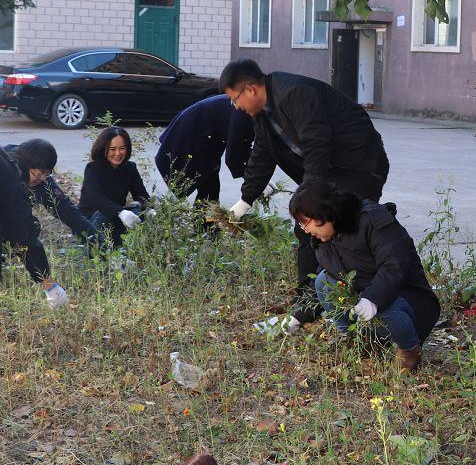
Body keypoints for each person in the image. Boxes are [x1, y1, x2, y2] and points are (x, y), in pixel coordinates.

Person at [219, 59, 390, 332]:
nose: (236, 107)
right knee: (307, 230)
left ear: (250, 89)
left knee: (337, 232)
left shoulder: (294, 93)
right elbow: (262, 155)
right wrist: (244, 202)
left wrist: (309, 198)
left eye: (234, 99)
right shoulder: (263, 115)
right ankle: (308, 306)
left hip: (358, 166)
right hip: (331, 172)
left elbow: (317, 146)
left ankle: (350, 307)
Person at [288, 178, 439, 372]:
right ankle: (359, 342)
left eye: (305, 222)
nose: (306, 230)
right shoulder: (325, 238)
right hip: (366, 296)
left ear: (324, 214)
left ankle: (410, 350)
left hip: (408, 300)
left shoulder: (373, 220)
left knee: (385, 307)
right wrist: (298, 317)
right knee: (323, 281)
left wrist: (372, 299)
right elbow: (324, 274)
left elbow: (395, 264)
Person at [6, 139, 108, 256]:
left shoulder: (39, 175)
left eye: (47, 173)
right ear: (23, 167)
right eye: (39, 174)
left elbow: (68, 211)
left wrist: (103, 246)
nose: (43, 179)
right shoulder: (6, 171)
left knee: (32, 225)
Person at [0, 146, 69, 309]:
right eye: (39, 174)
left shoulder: (7, 158)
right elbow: (21, 232)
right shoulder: (11, 178)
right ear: (26, 165)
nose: (42, 179)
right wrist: (48, 284)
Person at [155, 94, 254, 202]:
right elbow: (233, 155)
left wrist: (256, 173)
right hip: (191, 134)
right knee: (208, 184)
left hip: (207, 135)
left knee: (210, 186)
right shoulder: (244, 111)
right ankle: (206, 216)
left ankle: (207, 216)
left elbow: (244, 146)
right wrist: (253, 178)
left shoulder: (252, 109)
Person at [79, 127, 152, 248]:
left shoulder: (130, 168)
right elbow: (95, 197)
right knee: (103, 217)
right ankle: (102, 253)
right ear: (104, 149)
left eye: (122, 148)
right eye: (112, 149)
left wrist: (150, 209)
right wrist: (120, 212)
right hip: (92, 220)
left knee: (141, 212)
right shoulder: (93, 168)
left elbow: (141, 194)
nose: (118, 153)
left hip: (116, 216)